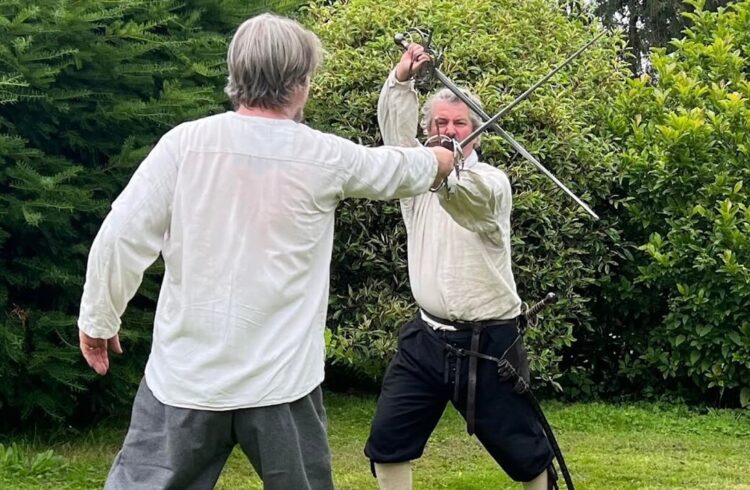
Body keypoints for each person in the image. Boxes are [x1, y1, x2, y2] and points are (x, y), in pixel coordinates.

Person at [77, 13, 456, 490]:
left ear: (236, 75)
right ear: (300, 82)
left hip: (189, 381)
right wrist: (444, 158)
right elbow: (397, 169)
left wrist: (98, 320)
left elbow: (120, 237)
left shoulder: (183, 145)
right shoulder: (324, 156)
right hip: (277, 388)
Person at [363, 43, 556, 490]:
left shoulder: (491, 183)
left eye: (459, 123)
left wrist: (445, 171)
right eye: (440, 123)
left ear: (477, 132)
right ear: (428, 129)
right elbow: (396, 139)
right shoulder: (414, 179)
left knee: (527, 456)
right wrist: (402, 79)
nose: (448, 129)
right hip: (425, 340)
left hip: (490, 344)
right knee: (387, 444)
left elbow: (466, 201)